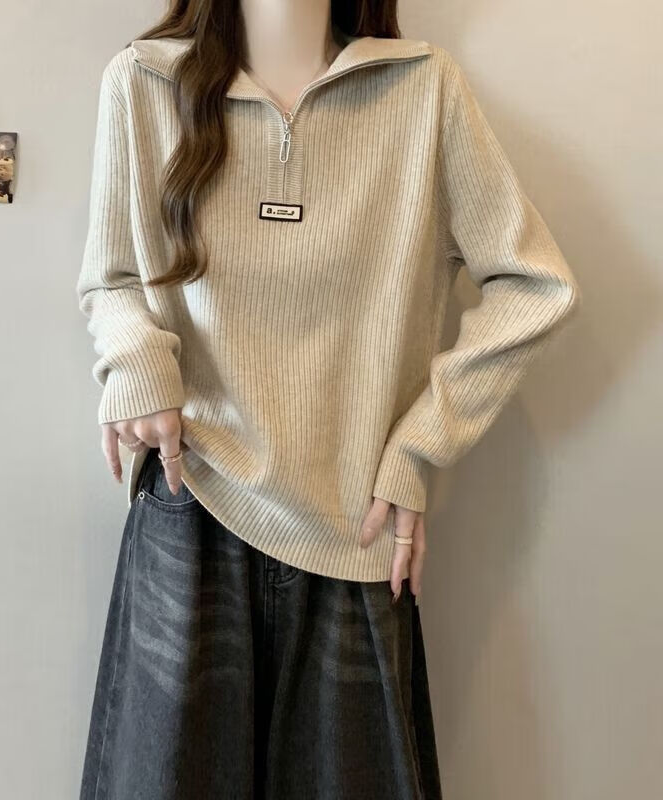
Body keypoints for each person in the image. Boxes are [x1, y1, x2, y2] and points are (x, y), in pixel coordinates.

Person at [76, 2, 581, 798]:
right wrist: (136, 362)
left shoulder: (426, 91)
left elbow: (537, 287)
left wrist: (419, 445)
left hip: (356, 531)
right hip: (192, 505)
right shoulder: (143, 82)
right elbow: (111, 278)